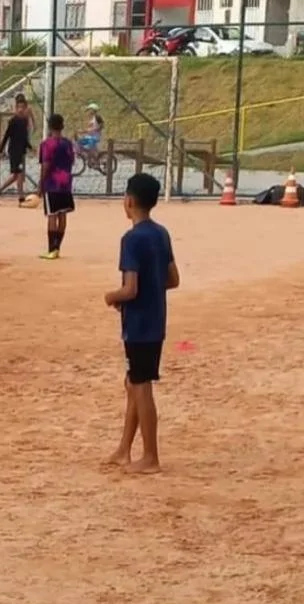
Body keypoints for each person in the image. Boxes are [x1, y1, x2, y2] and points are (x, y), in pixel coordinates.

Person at [104, 173, 179, 475]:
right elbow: (172, 279)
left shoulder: (131, 239)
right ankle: (125, 448)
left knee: (141, 385)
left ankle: (150, 456)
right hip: (156, 319)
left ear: (130, 201)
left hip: (138, 323)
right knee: (133, 382)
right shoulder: (161, 233)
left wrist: (112, 296)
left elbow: (130, 288)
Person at [38, 113, 75, 260]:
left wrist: (41, 183)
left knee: (52, 215)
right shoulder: (68, 143)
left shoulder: (47, 144)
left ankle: (51, 248)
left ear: (49, 126)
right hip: (65, 183)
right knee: (62, 214)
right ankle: (58, 247)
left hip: (52, 183)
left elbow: (46, 165)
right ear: (62, 126)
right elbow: (72, 161)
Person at [0, 93, 34, 205]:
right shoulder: (13, 121)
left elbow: (24, 137)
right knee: (19, 173)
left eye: (22, 107)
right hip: (14, 150)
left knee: (15, 175)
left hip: (21, 150)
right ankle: (21, 198)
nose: (20, 110)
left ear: (26, 108)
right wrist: (0, 150)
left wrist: (30, 147)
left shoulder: (24, 121)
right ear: (15, 108)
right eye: (18, 107)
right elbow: (7, 135)